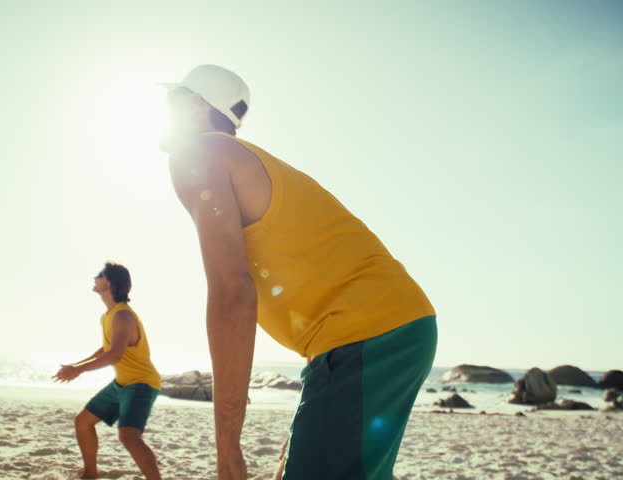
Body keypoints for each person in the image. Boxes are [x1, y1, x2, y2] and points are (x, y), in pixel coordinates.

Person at [160, 65, 438, 480]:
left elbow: (232, 293)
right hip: (382, 332)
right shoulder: (236, 159)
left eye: (173, 98)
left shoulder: (197, 153)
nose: (164, 108)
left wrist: (227, 448)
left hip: (367, 336)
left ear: (197, 105)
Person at [53, 262, 162, 480]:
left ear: (109, 282)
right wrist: (76, 365)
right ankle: (90, 474)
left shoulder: (123, 316)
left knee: (129, 436)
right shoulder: (109, 315)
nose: (95, 277)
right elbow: (107, 348)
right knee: (83, 422)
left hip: (141, 383)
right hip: (122, 383)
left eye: (99, 274)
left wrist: (79, 370)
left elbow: (115, 355)